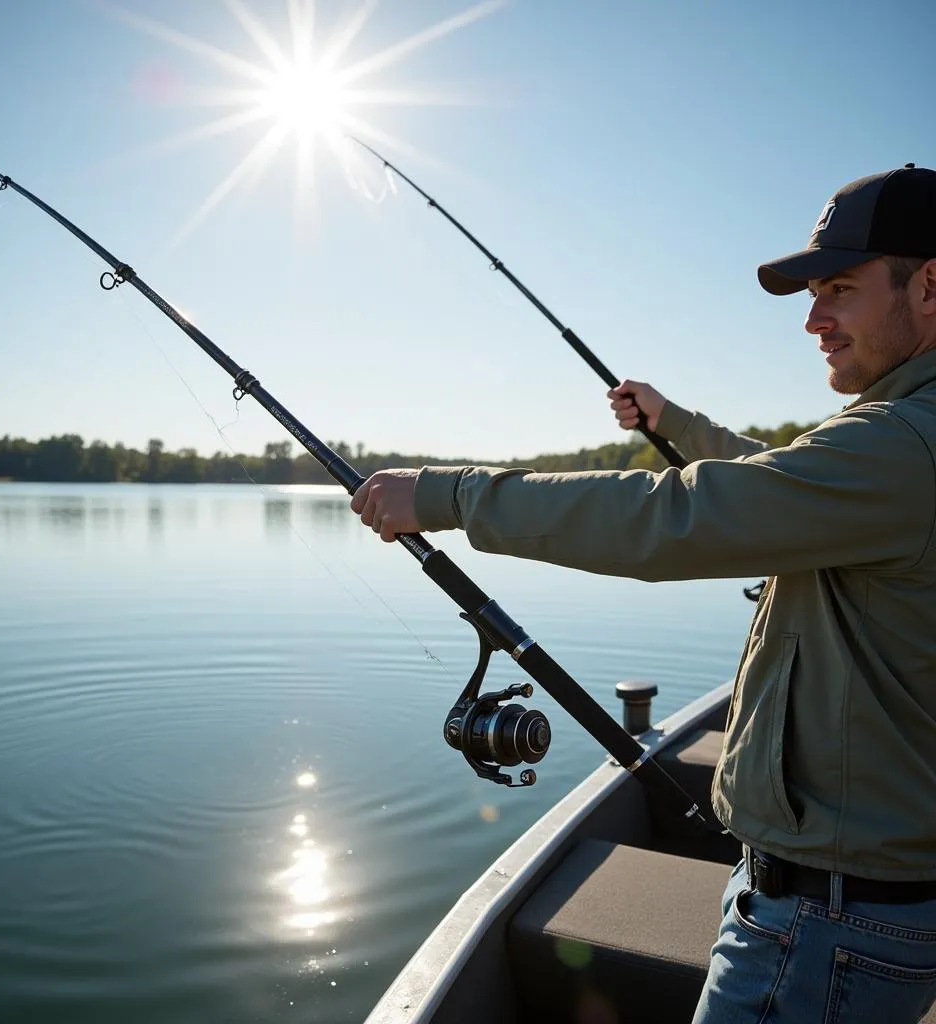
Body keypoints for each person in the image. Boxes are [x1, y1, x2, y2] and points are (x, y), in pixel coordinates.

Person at [350, 164, 936, 1023]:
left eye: (839, 290)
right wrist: (677, 425)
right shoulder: (897, 440)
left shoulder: (904, 445)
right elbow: (783, 488)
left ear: (930, 285)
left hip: (828, 924)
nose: (812, 319)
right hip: (854, 902)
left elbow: (678, 517)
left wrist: (448, 495)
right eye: (812, 293)